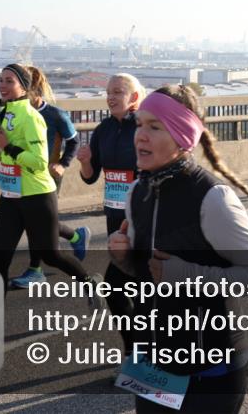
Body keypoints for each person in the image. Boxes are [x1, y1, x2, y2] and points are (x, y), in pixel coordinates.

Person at [108, 85, 248, 413]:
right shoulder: (137, 192)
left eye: (155, 127)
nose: (140, 135)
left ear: (183, 136)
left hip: (209, 371)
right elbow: (149, 277)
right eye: (139, 124)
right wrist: (126, 260)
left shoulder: (212, 197)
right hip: (154, 364)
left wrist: (185, 274)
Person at [0, 63, 99, 302]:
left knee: (51, 256)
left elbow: (38, 162)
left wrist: (7, 146)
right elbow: (11, 153)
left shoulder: (32, 117)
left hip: (37, 195)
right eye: (1, 80)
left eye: (9, 81)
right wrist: (2, 154)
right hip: (10, 195)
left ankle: (89, 283)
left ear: (24, 87)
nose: (2, 86)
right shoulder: (4, 111)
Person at [77, 72, 145, 355]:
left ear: (134, 97)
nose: (111, 96)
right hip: (116, 221)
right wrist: (85, 162)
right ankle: (138, 352)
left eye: (118, 91)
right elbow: (91, 178)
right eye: (108, 91)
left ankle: (144, 354)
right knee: (121, 292)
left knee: (132, 292)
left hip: (143, 221)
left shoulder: (144, 126)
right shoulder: (103, 129)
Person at [10, 66, 91, 289]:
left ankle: (36, 270)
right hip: (24, 176)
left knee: (38, 223)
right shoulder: (18, 113)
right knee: (39, 222)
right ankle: (76, 237)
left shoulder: (55, 114)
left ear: (34, 91)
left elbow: (74, 140)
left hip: (48, 176)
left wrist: (63, 164)